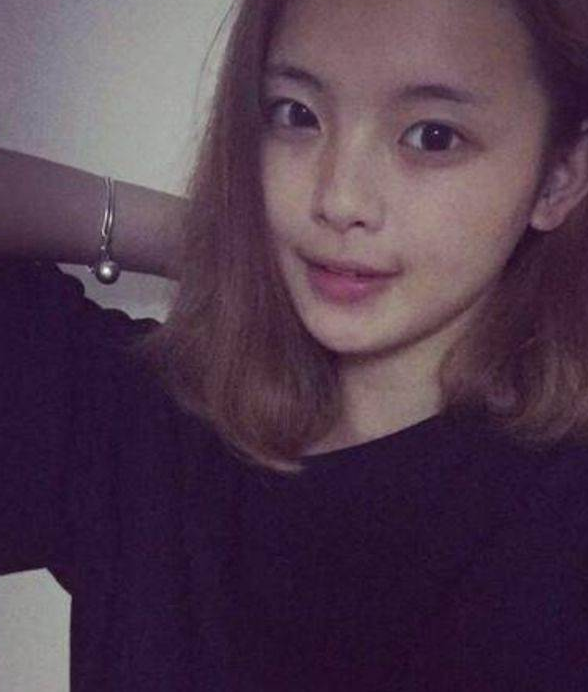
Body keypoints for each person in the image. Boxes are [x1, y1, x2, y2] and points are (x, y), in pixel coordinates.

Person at [2, 0, 588, 689]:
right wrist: (220, 240)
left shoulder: (560, 525)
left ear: (558, 178)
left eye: (433, 136)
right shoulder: (138, 421)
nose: (338, 200)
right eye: (296, 114)